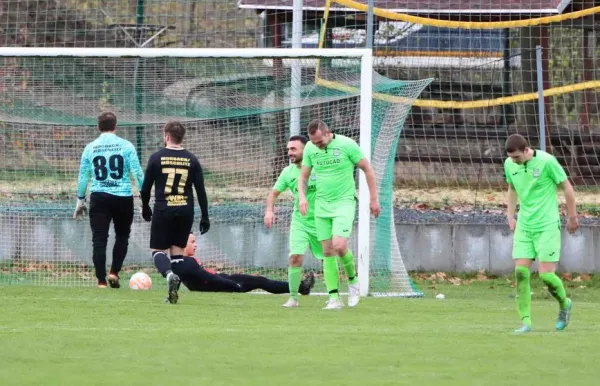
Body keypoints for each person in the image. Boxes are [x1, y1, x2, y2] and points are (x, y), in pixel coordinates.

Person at [298, 119, 381, 310]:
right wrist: (302, 197)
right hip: (321, 205)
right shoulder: (310, 148)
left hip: (344, 202)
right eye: (313, 142)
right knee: (327, 251)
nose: (316, 145)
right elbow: (303, 176)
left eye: (319, 141)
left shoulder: (347, 145)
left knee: (340, 245)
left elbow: (367, 169)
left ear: (328, 133)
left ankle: (353, 281)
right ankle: (334, 298)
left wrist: (373, 199)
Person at [504, 133, 578, 333]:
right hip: (525, 226)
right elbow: (511, 189)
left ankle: (564, 304)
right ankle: (525, 322)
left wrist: (572, 217)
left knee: (546, 276)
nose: (514, 161)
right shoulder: (510, 165)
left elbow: (567, 187)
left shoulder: (547, 162)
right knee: (520, 272)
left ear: (526, 150)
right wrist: (510, 216)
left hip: (547, 225)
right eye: (511, 158)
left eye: (517, 157)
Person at [140, 121, 210, 304]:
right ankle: (173, 294)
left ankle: (169, 274)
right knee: (177, 252)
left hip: (164, 209)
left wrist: (145, 206)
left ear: (167, 136)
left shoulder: (156, 158)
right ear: (182, 137)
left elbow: (145, 188)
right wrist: (205, 216)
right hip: (185, 210)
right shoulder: (192, 159)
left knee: (158, 250)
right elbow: (200, 191)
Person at [74, 111, 144, 288]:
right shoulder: (126, 146)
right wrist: (144, 197)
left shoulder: (90, 147)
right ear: (116, 126)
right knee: (122, 236)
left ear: (98, 127)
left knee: (99, 239)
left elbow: (83, 176)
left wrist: (80, 200)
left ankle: (101, 281)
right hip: (123, 197)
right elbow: (138, 173)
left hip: (99, 197)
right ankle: (114, 272)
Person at [264, 135, 330, 308]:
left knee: (328, 259)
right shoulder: (288, 172)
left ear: (305, 150)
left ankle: (334, 296)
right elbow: (273, 193)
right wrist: (269, 211)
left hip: (322, 220)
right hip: (300, 221)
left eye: (293, 149)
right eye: (288, 149)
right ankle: (293, 298)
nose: (289, 153)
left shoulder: (320, 167)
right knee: (295, 257)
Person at [169, 233, 315, 297]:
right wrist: (233, 285)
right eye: (192, 242)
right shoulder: (187, 263)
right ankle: (302, 287)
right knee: (261, 281)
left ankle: (301, 287)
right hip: (225, 286)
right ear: (183, 244)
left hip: (224, 281)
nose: (195, 245)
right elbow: (207, 277)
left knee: (259, 280)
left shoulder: (179, 263)